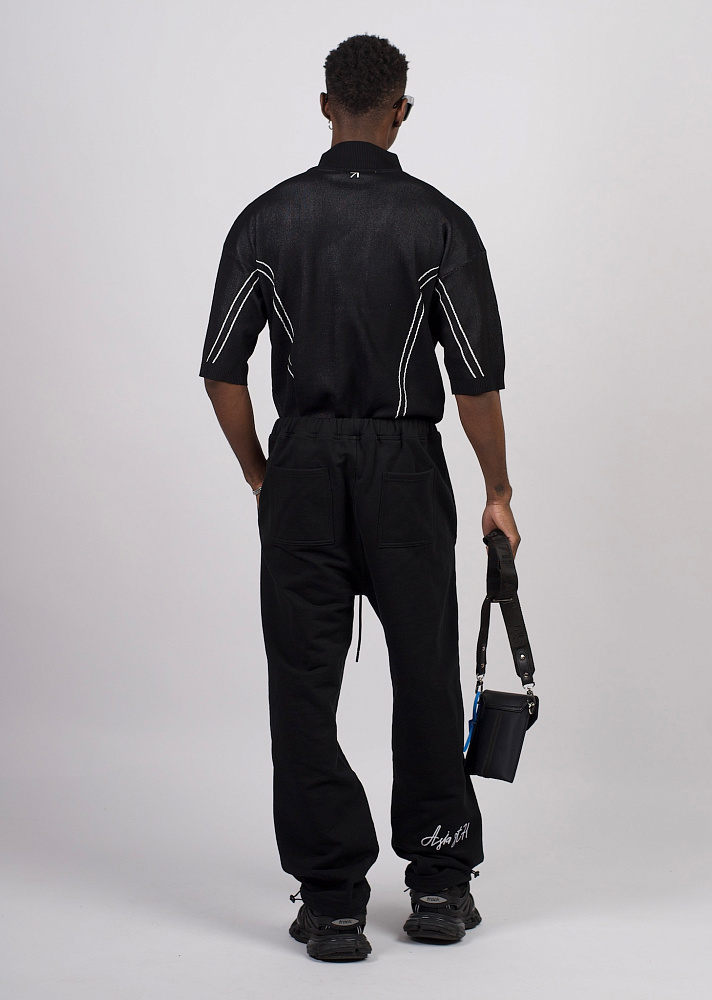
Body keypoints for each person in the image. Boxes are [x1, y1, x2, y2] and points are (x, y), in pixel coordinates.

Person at [200, 34, 520, 962]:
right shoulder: (439, 223)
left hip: (301, 465)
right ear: (401, 111)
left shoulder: (265, 220)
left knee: (303, 682)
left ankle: (332, 898)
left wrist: (262, 472)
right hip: (405, 467)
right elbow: (474, 384)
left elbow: (222, 370)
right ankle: (440, 882)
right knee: (424, 671)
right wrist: (498, 490)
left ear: (325, 105)